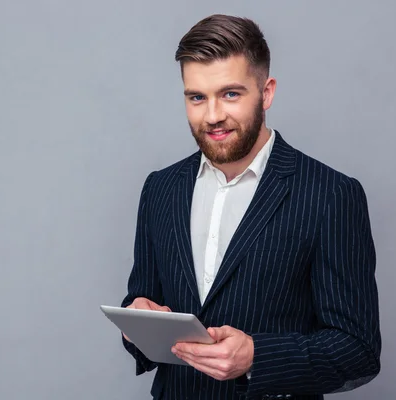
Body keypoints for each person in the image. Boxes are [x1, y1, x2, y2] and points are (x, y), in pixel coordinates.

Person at [120, 14, 381, 400]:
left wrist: (257, 357)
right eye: (197, 97)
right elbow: (142, 301)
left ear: (267, 92)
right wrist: (137, 320)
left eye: (230, 94)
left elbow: (358, 350)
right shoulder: (160, 188)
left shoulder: (331, 195)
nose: (212, 116)